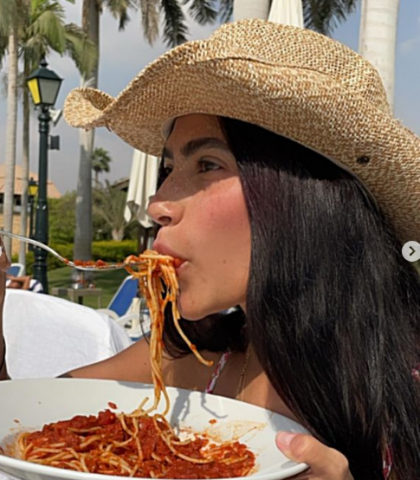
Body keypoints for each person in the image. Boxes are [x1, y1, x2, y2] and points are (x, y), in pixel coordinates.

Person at [1, 18, 420, 480]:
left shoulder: (403, 390)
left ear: (307, 198)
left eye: (207, 164)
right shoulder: (193, 358)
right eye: (167, 169)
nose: (157, 205)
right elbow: (24, 418)